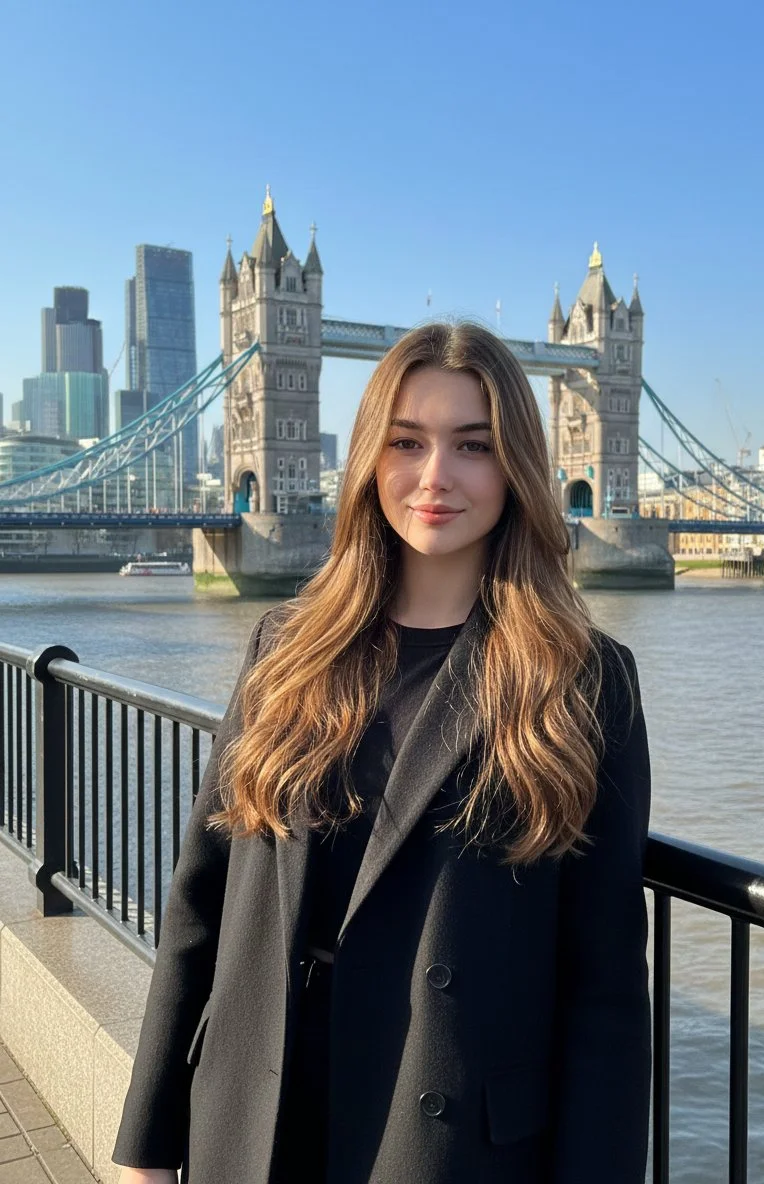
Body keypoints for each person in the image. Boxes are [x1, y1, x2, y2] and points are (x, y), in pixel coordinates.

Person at [112, 320, 652, 1184]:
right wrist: (147, 1144)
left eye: (473, 445)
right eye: (408, 442)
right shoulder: (283, 649)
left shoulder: (583, 680)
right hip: (257, 1113)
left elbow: (607, 992)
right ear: (369, 457)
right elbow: (199, 902)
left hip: (445, 1134)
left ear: (517, 466)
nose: (436, 476)